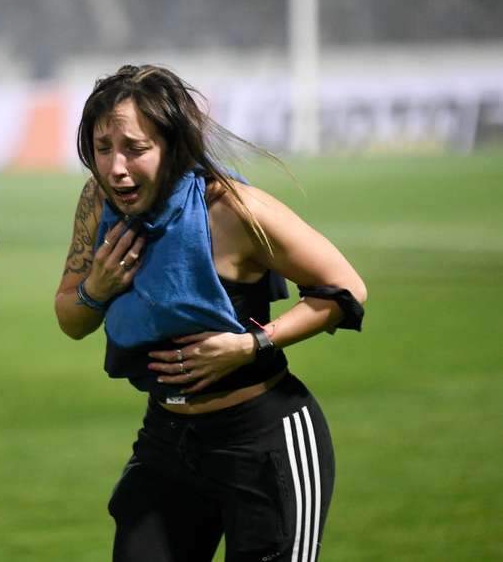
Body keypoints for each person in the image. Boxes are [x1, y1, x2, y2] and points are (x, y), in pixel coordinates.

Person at [54, 65, 367, 562]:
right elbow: (71, 319)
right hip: (167, 438)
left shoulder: (234, 209)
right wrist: (97, 286)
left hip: (264, 441)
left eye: (135, 149)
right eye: (102, 148)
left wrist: (252, 344)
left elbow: (346, 289)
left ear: (173, 146)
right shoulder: (97, 201)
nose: (116, 167)